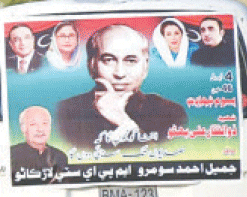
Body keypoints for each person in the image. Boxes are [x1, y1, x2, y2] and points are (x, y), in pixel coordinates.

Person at [57, 24, 187, 148]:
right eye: (108, 60)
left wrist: (124, 122)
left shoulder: (171, 113)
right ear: (91, 65)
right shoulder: (65, 113)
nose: (120, 73)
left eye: (130, 61)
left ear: (145, 67)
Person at [10, 106, 67, 173]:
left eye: (45, 123)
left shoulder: (60, 156)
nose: (40, 129)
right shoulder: (11, 154)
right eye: (33, 124)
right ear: (23, 128)